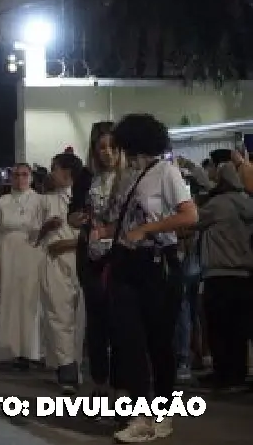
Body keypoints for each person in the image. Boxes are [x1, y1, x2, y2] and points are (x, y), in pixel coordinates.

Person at [90, 114, 198, 442]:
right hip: (127, 263)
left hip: (157, 264)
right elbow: (124, 222)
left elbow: (190, 214)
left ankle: (162, 412)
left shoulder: (166, 172)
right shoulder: (128, 176)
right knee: (129, 340)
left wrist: (146, 229)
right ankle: (139, 415)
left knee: (158, 342)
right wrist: (103, 232)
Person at [67, 121, 123, 399]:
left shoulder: (130, 176)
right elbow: (73, 213)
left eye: (113, 147)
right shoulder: (86, 177)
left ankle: (121, 384)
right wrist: (76, 218)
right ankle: (99, 382)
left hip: (121, 257)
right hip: (90, 257)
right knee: (97, 322)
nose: (108, 153)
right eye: (102, 147)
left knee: (122, 322)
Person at [194, 162, 253, 391]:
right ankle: (238, 375)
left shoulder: (218, 205)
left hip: (219, 276)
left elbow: (192, 220)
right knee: (238, 331)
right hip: (244, 276)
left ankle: (224, 375)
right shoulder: (247, 203)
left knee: (218, 329)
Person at [0, 163, 45, 369]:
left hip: (33, 256)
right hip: (7, 257)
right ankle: (10, 349)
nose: (20, 179)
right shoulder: (1, 203)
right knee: (9, 301)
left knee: (32, 302)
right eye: (16, 175)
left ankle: (32, 351)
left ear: (31, 177)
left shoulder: (40, 202)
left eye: (24, 175)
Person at [36, 152, 85, 394]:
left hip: (84, 261)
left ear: (67, 173)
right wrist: (46, 229)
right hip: (55, 264)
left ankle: (76, 364)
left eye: (54, 169)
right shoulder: (46, 201)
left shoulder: (84, 198)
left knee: (80, 317)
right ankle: (66, 367)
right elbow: (35, 237)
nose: (50, 174)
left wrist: (73, 243)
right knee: (58, 314)